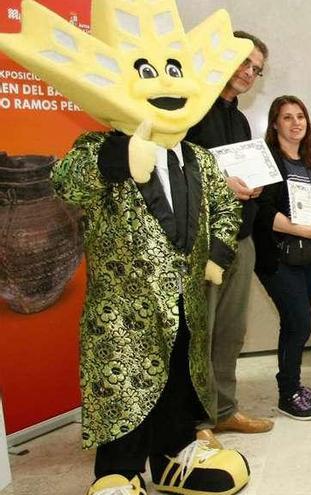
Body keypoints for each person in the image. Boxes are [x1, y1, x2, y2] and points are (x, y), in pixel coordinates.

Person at [0, 3, 254, 492]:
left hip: (186, 303)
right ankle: (117, 472)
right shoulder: (98, 149)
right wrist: (116, 157)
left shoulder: (199, 158)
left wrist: (217, 255)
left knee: (181, 382)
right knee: (124, 390)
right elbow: (67, 186)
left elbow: (225, 208)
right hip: (123, 311)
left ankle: (173, 458)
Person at [185, 30, 273, 447]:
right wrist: (221, 183)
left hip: (240, 237)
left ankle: (223, 410)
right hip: (202, 243)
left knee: (231, 331)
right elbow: (175, 170)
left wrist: (251, 187)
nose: (249, 73)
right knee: (200, 330)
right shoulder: (189, 109)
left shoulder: (238, 118)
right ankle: (194, 421)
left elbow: (239, 175)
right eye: (245, 62)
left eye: (257, 69)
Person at [253, 96, 311, 420]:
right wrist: (300, 229)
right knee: (301, 322)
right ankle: (287, 394)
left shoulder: (308, 162)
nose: (296, 122)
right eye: (287, 117)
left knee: (293, 324)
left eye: (301, 116)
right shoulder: (268, 162)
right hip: (278, 258)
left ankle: (294, 384)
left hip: (309, 257)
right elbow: (262, 211)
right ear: (274, 124)